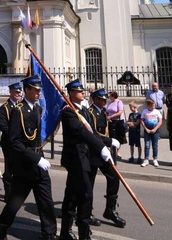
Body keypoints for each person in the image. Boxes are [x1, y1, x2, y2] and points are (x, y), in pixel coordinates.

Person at [0, 75, 57, 240]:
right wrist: (36, 159)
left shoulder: (38, 109)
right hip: (26, 165)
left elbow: (36, 137)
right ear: (26, 90)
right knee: (15, 203)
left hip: (38, 162)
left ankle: (49, 234)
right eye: (35, 90)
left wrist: (40, 155)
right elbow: (14, 142)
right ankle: (1, 231)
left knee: (46, 201)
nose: (38, 93)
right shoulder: (18, 111)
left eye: (39, 90)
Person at [59, 79, 112, 240]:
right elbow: (81, 132)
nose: (83, 92)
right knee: (85, 194)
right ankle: (83, 233)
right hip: (75, 157)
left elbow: (93, 133)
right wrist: (100, 147)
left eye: (82, 90)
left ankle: (65, 232)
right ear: (71, 93)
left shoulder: (85, 111)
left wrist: (107, 143)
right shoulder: (68, 111)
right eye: (79, 90)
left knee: (72, 194)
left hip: (85, 156)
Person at [88, 88, 126, 228]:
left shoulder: (102, 112)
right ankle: (87, 212)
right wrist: (108, 142)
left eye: (105, 99)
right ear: (95, 99)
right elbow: (93, 134)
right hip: (92, 152)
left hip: (103, 152)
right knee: (88, 183)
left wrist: (108, 143)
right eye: (102, 99)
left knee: (114, 177)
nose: (104, 101)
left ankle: (110, 210)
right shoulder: (90, 112)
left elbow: (104, 131)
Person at [0, 81, 22, 202]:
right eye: (16, 92)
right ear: (11, 92)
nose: (18, 94)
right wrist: (15, 136)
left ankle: (15, 191)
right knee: (9, 169)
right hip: (8, 143)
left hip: (19, 143)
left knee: (18, 168)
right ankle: (8, 193)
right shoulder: (5, 108)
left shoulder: (21, 106)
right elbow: (3, 126)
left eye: (19, 92)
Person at [140, 99, 162, 167]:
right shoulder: (144, 111)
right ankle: (146, 159)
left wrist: (155, 129)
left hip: (155, 131)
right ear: (148, 105)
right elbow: (142, 120)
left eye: (153, 105)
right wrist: (145, 129)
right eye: (151, 106)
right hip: (147, 131)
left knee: (155, 145)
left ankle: (155, 159)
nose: (153, 107)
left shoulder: (157, 112)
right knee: (147, 145)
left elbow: (160, 121)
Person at [106, 91, 127, 158]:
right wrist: (107, 117)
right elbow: (107, 111)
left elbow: (120, 112)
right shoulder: (109, 103)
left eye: (110, 96)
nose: (109, 97)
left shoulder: (119, 102)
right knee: (112, 136)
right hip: (111, 121)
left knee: (118, 137)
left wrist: (111, 116)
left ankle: (117, 151)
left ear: (113, 96)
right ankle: (112, 150)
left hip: (118, 121)